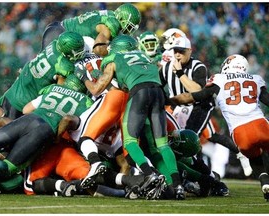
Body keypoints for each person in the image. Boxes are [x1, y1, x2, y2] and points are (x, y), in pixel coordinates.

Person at [80, 35, 185, 200]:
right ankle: (178, 185)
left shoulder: (113, 57)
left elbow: (96, 89)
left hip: (139, 92)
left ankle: (149, 174)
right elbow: (157, 70)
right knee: (163, 144)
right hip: (157, 92)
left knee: (129, 141)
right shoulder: (144, 56)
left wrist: (84, 77)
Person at [170, 54, 269, 201]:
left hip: (241, 134)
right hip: (261, 125)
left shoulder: (219, 79)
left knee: (255, 158)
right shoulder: (256, 79)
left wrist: (168, 99)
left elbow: (194, 96)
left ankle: (266, 184)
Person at [161, 35, 252, 177]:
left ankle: (207, 178)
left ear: (189, 51)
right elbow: (157, 87)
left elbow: (197, 91)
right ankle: (205, 176)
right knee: (192, 139)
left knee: (188, 141)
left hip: (200, 107)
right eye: (175, 51)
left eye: (181, 51)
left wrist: (179, 73)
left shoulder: (198, 67)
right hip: (178, 108)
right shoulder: (166, 68)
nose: (178, 54)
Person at [0, 73, 93, 180]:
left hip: (28, 119)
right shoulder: (87, 102)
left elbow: (26, 110)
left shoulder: (53, 88)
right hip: (44, 130)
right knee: (8, 168)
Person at [0, 31, 86, 121]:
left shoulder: (54, 44)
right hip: (23, 103)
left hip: (15, 90)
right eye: (76, 50)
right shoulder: (64, 66)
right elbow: (61, 90)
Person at [41, 3, 141, 57]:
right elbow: (98, 49)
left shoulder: (110, 15)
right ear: (122, 19)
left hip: (58, 30)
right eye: (129, 27)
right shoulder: (111, 25)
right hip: (60, 35)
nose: (128, 31)